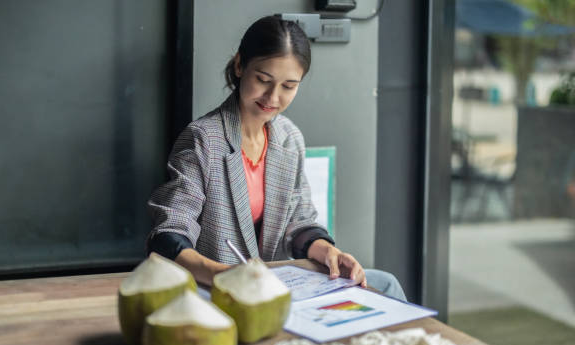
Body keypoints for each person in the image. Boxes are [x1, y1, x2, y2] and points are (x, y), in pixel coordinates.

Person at [147, 15, 406, 301]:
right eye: (263, 80)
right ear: (239, 65)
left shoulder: (289, 138)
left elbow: (300, 224)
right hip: (217, 288)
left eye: (288, 86)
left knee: (387, 284)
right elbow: (169, 233)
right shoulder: (203, 139)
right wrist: (222, 274)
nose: (273, 97)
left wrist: (329, 251)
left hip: (275, 286)